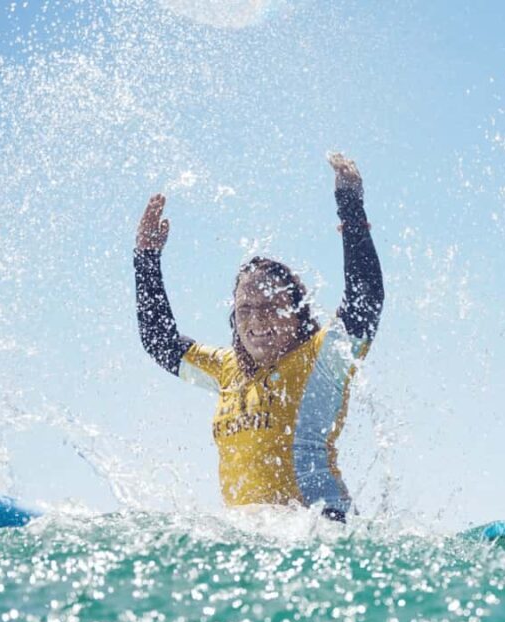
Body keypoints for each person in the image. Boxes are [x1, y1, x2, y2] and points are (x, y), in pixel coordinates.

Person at [134, 153, 383, 522]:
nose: (257, 319)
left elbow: (365, 299)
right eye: (245, 309)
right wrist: (146, 257)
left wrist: (349, 205)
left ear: (297, 313)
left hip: (323, 528)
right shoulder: (226, 369)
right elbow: (160, 341)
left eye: (270, 306)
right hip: (258, 537)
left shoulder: (321, 359)